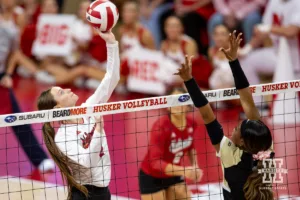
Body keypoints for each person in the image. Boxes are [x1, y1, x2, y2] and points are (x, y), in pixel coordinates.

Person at [175, 31, 274, 200]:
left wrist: (189, 81)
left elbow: (207, 114)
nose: (234, 128)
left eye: (237, 128)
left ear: (242, 141)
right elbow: (246, 98)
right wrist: (234, 61)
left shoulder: (231, 156)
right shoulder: (264, 146)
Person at [37, 30, 120, 200]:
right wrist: (97, 131)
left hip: (103, 192)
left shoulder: (88, 109)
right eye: (61, 93)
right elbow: (86, 163)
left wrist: (112, 44)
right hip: (84, 194)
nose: (68, 89)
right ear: (57, 107)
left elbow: (111, 79)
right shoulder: (62, 138)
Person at [0, 22, 55, 174]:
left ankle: (40, 159)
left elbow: (14, 53)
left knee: (17, 120)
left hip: (1, 80)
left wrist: (7, 74)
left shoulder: (7, 29)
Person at [139, 88, 202, 200]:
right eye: (173, 100)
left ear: (188, 105)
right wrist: (185, 171)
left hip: (173, 174)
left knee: (185, 196)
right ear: (168, 106)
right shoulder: (160, 127)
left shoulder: (192, 123)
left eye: (180, 100)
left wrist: (195, 165)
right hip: (152, 176)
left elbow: (190, 146)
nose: (177, 104)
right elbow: (155, 163)